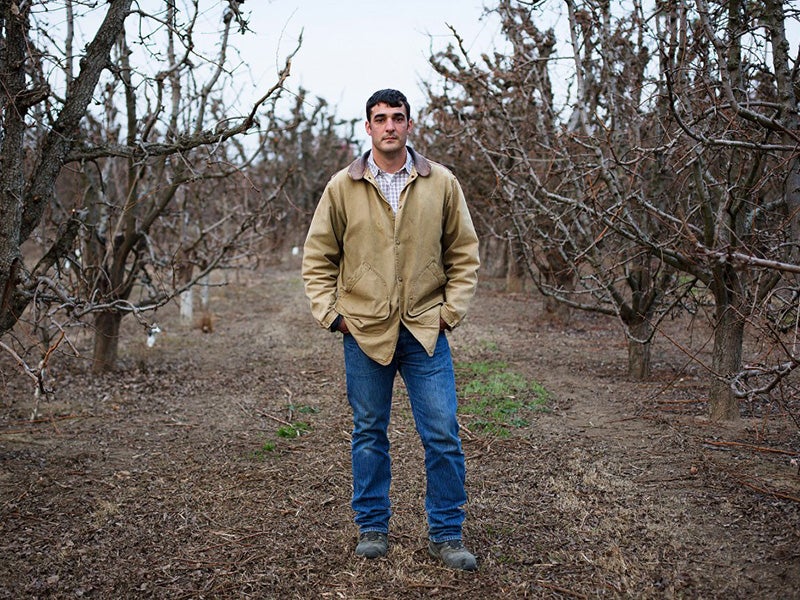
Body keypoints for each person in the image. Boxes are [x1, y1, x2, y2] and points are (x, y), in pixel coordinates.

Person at [302, 89, 480, 571]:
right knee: (368, 433)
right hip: (363, 331)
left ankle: (446, 534)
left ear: (409, 124)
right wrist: (333, 314)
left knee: (442, 432)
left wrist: (449, 312)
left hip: (425, 330)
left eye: (397, 118)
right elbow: (318, 257)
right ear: (367, 127)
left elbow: (464, 253)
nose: (389, 127)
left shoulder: (441, 182)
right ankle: (372, 529)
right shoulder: (343, 186)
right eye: (379, 119)